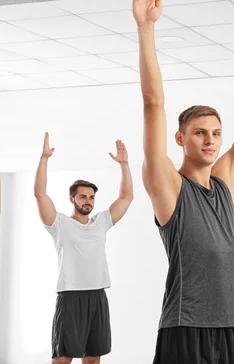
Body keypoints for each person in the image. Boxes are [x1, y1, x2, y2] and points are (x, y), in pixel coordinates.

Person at [132, 0, 234, 363]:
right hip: (187, 327)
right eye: (200, 133)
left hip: (232, 325)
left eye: (216, 133)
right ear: (181, 139)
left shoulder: (224, 182)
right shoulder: (169, 186)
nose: (211, 140)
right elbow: (154, 104)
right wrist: (146, 28)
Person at [34, 134, 134, 364]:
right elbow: (40, 194)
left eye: (91, 197)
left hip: (97, 295)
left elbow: (126, 197)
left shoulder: (102, 222)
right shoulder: (59, 224)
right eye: (83, 197)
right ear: (72, 199)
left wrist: (124, 164)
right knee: (62, 359)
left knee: (93, 359)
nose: (88, 201)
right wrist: (44, 158)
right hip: (70, 297)